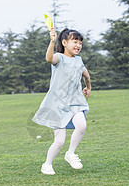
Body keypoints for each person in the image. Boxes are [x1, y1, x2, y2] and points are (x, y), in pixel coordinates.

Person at [32, 27, 91, 175]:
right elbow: (49, 58)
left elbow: (86, 75)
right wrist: (52, 41)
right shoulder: (59, 57)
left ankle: (70, 153)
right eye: (74, 42)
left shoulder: (79, 61)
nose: (78, 45)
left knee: (82, 125)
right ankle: (47, 164)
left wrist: (88, 87)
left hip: (75, 102)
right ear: (64, 42)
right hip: (57, 105)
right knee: (59, 141)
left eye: (80, 43)